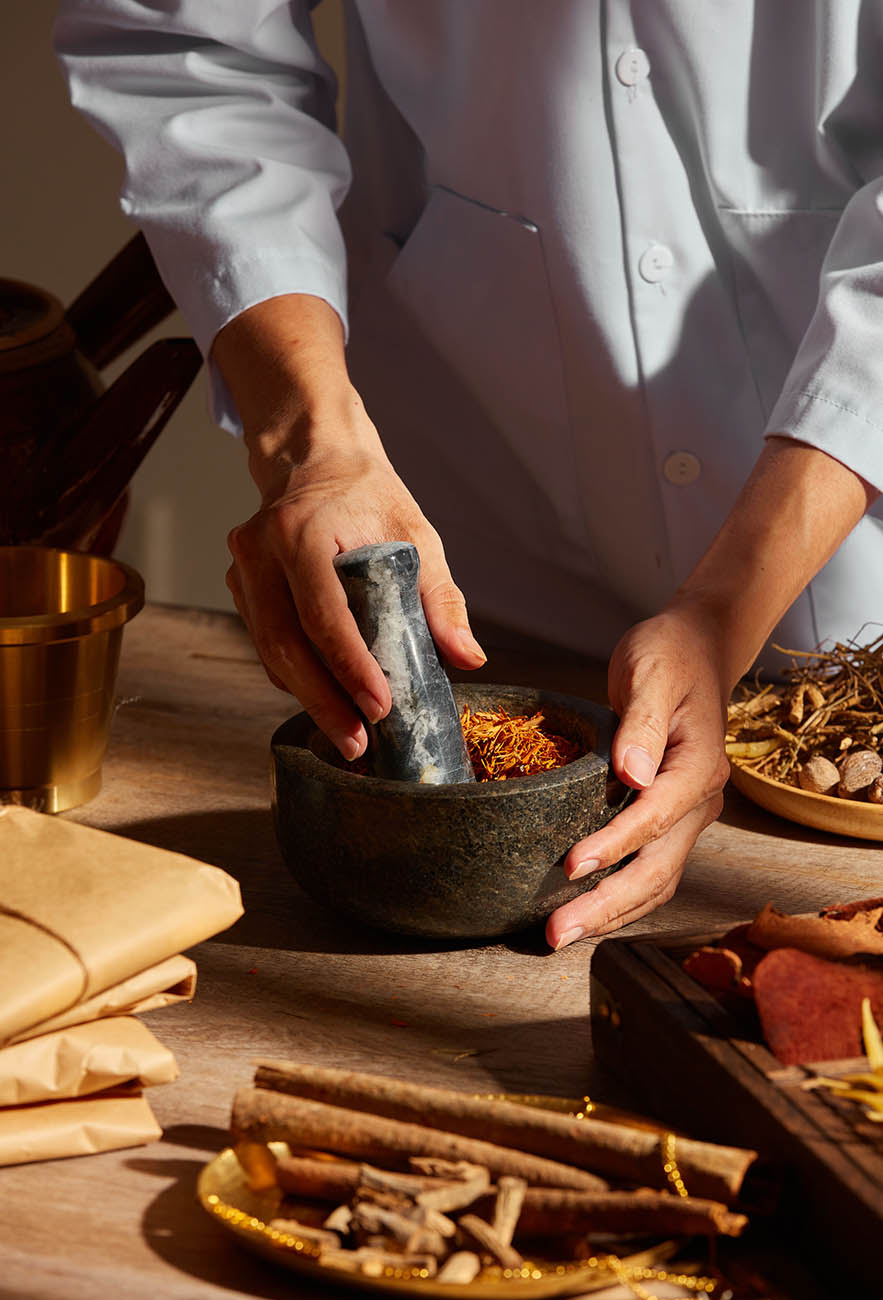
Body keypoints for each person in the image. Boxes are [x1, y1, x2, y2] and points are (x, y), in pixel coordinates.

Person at [53, 2, 882, 948]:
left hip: (849, 611)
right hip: (487, 543)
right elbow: (188, 45)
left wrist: (723, 607)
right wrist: (308, 439)